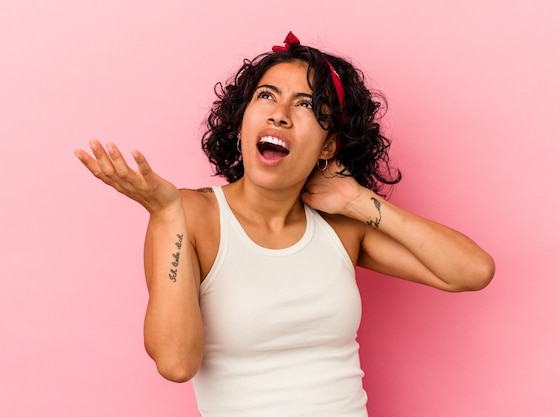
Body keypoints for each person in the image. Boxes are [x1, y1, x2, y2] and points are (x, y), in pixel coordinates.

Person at [75, 32, 494, 417]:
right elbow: (176, 362)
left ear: (329, 144)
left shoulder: (341, 227)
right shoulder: (189, 215)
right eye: (266, 96)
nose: (279, 115)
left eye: (306, 105)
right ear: (241, 124)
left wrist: (357, 199)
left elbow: (472, 271)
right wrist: (165, 215)